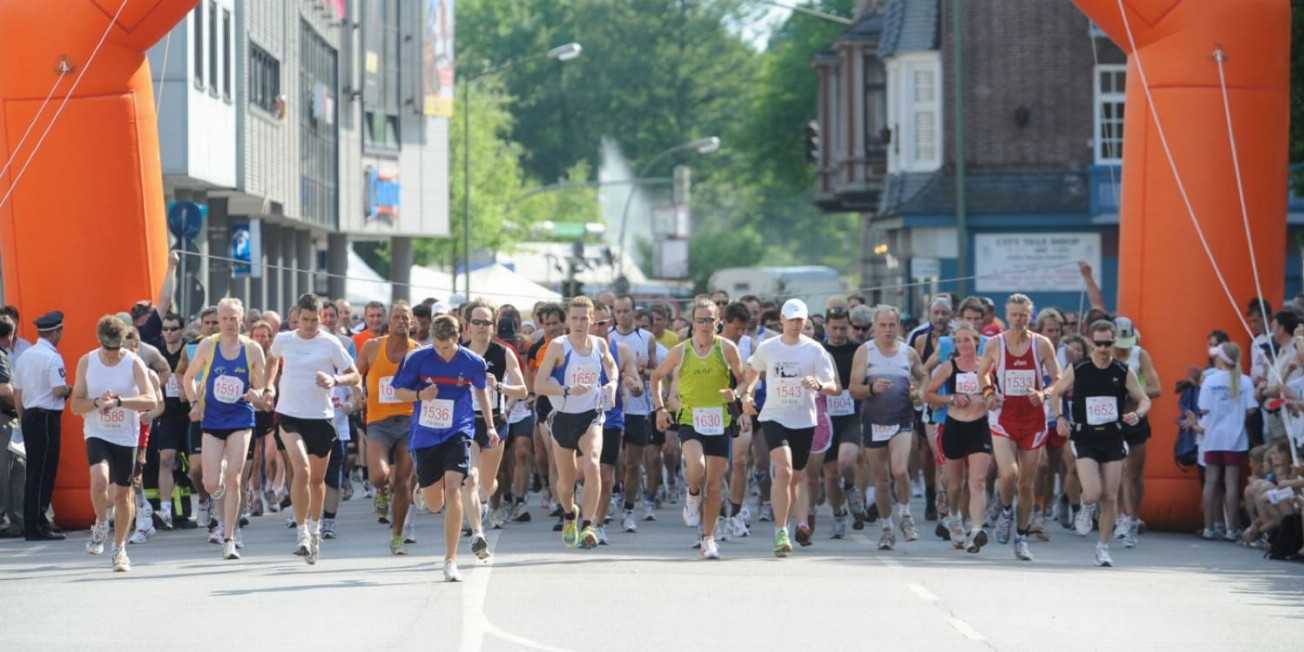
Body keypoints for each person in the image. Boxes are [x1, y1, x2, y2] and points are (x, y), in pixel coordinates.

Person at [392, 314, 498, 581]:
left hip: (458, 430)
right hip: (425, 434)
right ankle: (423, 488)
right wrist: (419, 395)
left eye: (447, 347)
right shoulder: (417, 358)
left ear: (458, 338)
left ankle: (450, 560)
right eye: (437, 347)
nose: (442, 353)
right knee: (435, 504)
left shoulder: (472, 361)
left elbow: (482, 390)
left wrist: (490, 425)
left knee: (454, 489)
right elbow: (398, 391)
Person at [264, 294, 360, 565]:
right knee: (301, 471)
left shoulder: (330, 343)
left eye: (313, 320)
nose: (308, 325)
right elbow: (272, 360)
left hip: (321, 417)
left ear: (321, 318)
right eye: (304, 320)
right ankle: (302, 532)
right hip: (290, 415)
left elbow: (354, 374)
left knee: (318, 481)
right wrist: (270, 386)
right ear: (297, 317)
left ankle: (316, 529)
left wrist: (335, 379)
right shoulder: (284, 340)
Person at [1048, 319, 1151, 567]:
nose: (1104, 348)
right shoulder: (1079, 368)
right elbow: (1055, 392)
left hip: (1113, 437)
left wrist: (1137, 414)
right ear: (1091, 342)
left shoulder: (1122, 371)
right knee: (1093, 492)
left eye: (1108, 343)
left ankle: (1102, 547)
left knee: (1110, 496)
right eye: (1099, 344)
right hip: (1085, 437)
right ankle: (1085, 506)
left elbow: (1144, 399)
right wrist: (1061, 417)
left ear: (1114, 342)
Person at [741, 299, 838, 557]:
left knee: (795, 478)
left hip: (804, 419)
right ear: (781, 320)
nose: (795, 325)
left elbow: (833, 386)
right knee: (782, 470)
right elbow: (752, 369)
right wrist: (748, 393)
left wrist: (817, 384)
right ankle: (781, 530)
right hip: (774, 415)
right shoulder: (768, 347)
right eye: (791, 319)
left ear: (805, 322)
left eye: (800, 320)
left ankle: (789, 521)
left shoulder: (815, 350)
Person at [651, 298, 746, 559]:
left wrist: (736, 395)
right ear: (693, 323)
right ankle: (692, 493)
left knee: (714, 487)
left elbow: (744, 379)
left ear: (718, 322)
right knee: (697, 467)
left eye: (710, 320)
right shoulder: (681, 351)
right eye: (700, 320)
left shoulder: (726, 349)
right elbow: (657, 376)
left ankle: (709, 538)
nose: (705, 325)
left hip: (720, 421)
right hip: (691, 418)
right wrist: (660, 409)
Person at [978, 293, 1061, 561]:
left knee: (1026, 484)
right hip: (1004, 418)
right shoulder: (995, 344)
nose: (1017, 319)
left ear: (1030, 315)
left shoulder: (1042, 344)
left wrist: (1045, 394)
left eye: (1023, 314)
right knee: (1009, 474)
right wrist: (990, 395)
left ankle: (1021, 537)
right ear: (1007, 314)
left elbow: (1058, 379)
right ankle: (1004, 511)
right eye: (1013, 314)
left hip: (1033, 419)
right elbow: (982, 373)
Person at [183, 298, 268, 560]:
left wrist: (256, 393)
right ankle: (222, 512)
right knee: (211, 483)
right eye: (224, 319)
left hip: (241, 419)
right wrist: (195, 403)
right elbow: (188, 377)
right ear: (217, 321)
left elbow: (262, 386)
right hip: (212, 419)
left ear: (242, 320)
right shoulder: (209, 345)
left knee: (234, 477)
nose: (229, 323)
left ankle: (229, 536)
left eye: (234, 318)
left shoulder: (252, 349)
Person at [70, 316, 157, 571]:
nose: (111, 354)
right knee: (98, 481)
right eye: (107, 349)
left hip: (125, 436)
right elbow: (75, 404)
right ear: (99, 342)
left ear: (123, 343)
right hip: (97, 432)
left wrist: (120, 402)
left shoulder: (133, 362)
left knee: (122, 495)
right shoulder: (87, 361)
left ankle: (120, 549)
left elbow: (151, 399)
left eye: (116, 348)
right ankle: (100, 524)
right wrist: (96, 403)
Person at [534, 296, 620, 549]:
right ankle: (569, 514)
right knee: (566, 481)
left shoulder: (600, 344)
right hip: (562, 416)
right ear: (567, 321)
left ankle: (589, 526)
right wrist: (567, 389)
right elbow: (539, 385)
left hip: (591, 413)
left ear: (592, 320)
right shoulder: (559, 347)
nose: (580, 323)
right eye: (575, 318)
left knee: (593, 464)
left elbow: (612, 368)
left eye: (585, 318)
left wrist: (612, 385)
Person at [850, 304, 929, 550]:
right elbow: (854, 389)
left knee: (900, 470)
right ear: (875, 327)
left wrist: (920, 394)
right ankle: (887, 527)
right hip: (874, 421)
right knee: (882, 480)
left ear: (899, 326)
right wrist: (872, 388)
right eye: (882, 325)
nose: (887, 330)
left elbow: (923, 376)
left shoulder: (908, 353)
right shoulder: (865, 352)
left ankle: (905, 514)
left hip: (902, 420)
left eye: (892, 325)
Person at [462, 299, 528, 542]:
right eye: (476, 322)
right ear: (467, 325)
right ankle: (477, 532)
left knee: (488, 485)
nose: (481, 327)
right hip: (466, 423)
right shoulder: (460, 352)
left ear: (494, 325)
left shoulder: (503, 353)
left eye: (486, 322)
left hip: (495, 424)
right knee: (470, 478)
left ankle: (484, 500)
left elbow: (523, 390)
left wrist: (498, 385)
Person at [924, 322, 993, 553]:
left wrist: (993, 399)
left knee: (978, 482)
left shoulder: (986, 366)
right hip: (954, 426)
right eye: (959, 340)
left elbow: (996, 392)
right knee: (954, 485)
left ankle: (975, 529)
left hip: (980, 427)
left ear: (976, 341)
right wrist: (952, 398)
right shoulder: (948, 367)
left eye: (967, 339)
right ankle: (954, 517)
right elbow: (929, 395)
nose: (964, 344)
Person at [357, 302, 419, 554]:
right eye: (397, 317)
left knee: (402, 482)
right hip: (379, 423)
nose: (401, 322)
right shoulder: (372, 347)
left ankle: (397, 535)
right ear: (389, 321)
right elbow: (355, 374)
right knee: (379, 476)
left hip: (408, 422)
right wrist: (355, 394)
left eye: (406, 318)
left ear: (412, 322)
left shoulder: (418, 352)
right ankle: (381, 491)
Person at [12, 310, 70, 541]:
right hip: (46, 418)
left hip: (29, 416)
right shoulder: (52, 357)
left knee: (34, 472)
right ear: (56, 333)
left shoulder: (26, 355)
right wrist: (70, 389)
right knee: (45, 472)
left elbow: (18, 392)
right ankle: (38, 524)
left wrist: (23, 416)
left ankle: (33, 523)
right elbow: (58, 390)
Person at [609, 295, 659, 527]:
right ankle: (614, 493)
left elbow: (655, 373)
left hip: (638, 409)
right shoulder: (606, 338)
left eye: (626, 311)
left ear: (633, 312)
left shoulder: (646, 338)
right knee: (611, 460)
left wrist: (640, 372)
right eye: (618, 311)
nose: (622, 315)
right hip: (612, 408)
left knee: (633, 462)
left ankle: (629, 509)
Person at [1110, 316, 1160, 547]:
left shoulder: (1139, 354)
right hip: (1111, 418)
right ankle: (1120, 516)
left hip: (1135, 418)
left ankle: (1132, 517)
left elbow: (1155, 387)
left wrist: (1133, 394)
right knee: (1117, 469)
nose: (1123, 347)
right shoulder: (1104, 352)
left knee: (1134, 473)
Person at [1198, 342, 1256, 541]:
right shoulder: (1246, 381)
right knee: (1231, 482)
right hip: (1236, 438)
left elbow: (1203, 409)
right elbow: (1251, 409)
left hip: (1213, 437)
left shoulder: (1209, 380)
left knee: (1211, 481)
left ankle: (1208, 527)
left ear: (1221, 359)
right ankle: (1232, 529)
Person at [820, 303, 864, 539]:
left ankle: (851, 488)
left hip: (851, 415)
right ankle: (838, 515)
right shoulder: (819, 351)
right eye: (834, 328)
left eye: (843, 328)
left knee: (846, 462)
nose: (838, 333)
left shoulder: (858, 350)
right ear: (826, 326)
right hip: (825, 418)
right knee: (829, 474)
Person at [151, 312, 189, 529]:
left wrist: (190, 392)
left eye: (173, 328)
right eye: (165, 329)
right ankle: (165, 511)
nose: (168, 332)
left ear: (181, 330)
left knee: (197, 468)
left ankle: (206, 503)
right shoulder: (158, 354)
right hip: (167, 415)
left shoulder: (190, 351)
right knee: (165, 459)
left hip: (191, 414)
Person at [0, 316, 22, 538]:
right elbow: (5, 390)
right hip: (3, 420)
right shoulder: (0, 356)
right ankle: (13, 520)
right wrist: (21, 410)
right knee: (12, 469)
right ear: (9, 335)